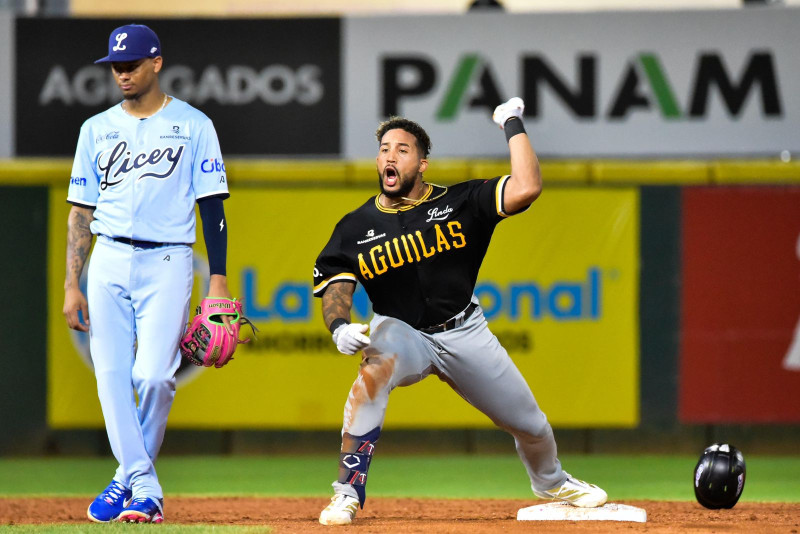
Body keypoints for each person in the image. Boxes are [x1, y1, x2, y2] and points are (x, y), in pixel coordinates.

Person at [312, 97, 607, 525]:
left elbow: (527, 186)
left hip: (464, 330)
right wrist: (339, 326)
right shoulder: (355, 227)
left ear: (422, 164)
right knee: (373, 374)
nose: (390, 156)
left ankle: (552, 482)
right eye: (384, 149)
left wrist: (511, 122)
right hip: (400, 330)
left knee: (531, 424)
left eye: (402, 150)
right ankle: (347, 492)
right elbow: (336, 284)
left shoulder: (462, 201)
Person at [62, 24, 232, 524]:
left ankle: (126, 479)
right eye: (116, 66)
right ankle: (144, 487)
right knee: (111, 377)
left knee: (154, 376)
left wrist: (218, 278)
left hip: (168, 259)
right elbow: (80, 211)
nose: (122, 74)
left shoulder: (194, 124)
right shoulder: (95, 129)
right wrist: (72, 283)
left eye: (131, 65)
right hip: (108, 258)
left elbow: (213, 205)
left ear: (156, 63)